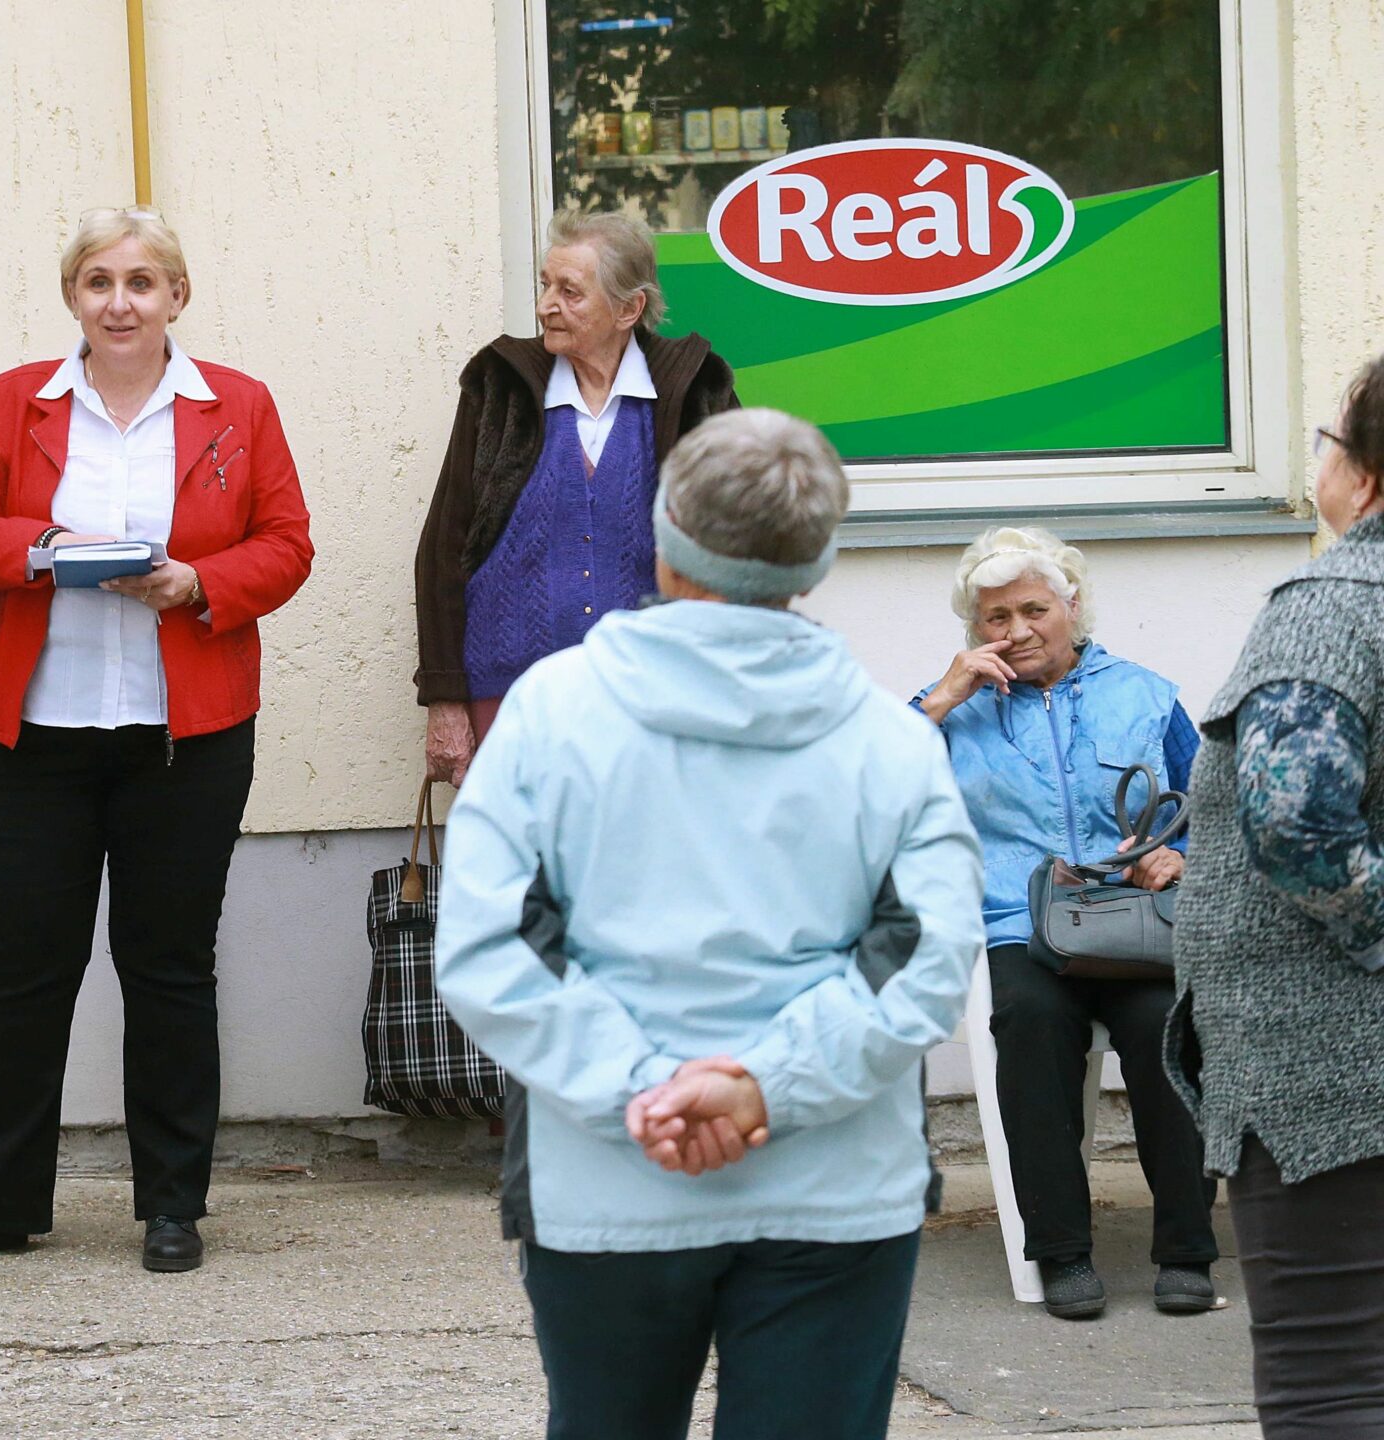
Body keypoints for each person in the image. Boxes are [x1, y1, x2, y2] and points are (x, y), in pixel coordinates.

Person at [436, 409, 982, 1440]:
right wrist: (758, 1084)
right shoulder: (889, 741)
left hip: (610, 1183)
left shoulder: (553, 713)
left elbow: (489, 941)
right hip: (832, 1187)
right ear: (815, 563)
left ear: (663, 535)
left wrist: (641, 1089)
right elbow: (924, 958)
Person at [0, 207, 314, 1273]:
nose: (120, 301)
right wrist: (42, 548)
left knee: (171, 968)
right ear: (72, 297)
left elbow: (287, 545)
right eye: (98, 281)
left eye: (142, 281)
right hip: (31, 732)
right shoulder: (18, 402)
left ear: (177, 296)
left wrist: (195, 583)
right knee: (26, 969)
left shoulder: (238, 406)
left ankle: (172, 1206)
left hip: (185, 736)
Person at [912, 527, 1220, 1320]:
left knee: (1169, 1030)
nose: (1015, 631)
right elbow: (870, 789)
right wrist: (940, 700)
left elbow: (1214, 805)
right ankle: (1062, 1254)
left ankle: (1187, 1250)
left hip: (1136, 921)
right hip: (1023, 923)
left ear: (1071, 607)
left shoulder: (1145, 695)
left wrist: (1178, 853)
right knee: (1029, 1022)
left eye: (1033, 609)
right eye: (994, 618)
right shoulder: (956, 710)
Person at [1170, 354, 1384, 1435]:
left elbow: (1295, 819)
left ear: (1369, 474)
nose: (1316, 467)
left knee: (1331, 1375)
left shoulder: (1330, 606)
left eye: (1324, 442)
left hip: (1329, 1070)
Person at [412, 208, 738, 786]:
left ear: (628, 309)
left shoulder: (692, 393)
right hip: (512, 696)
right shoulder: (503, 389)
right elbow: (445, 543)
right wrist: (444, 699)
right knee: (526, 866)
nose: (545, 305)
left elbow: (744, 546)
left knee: (641, 863)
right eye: (544, 285)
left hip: (655, 698)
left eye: (569, 291)